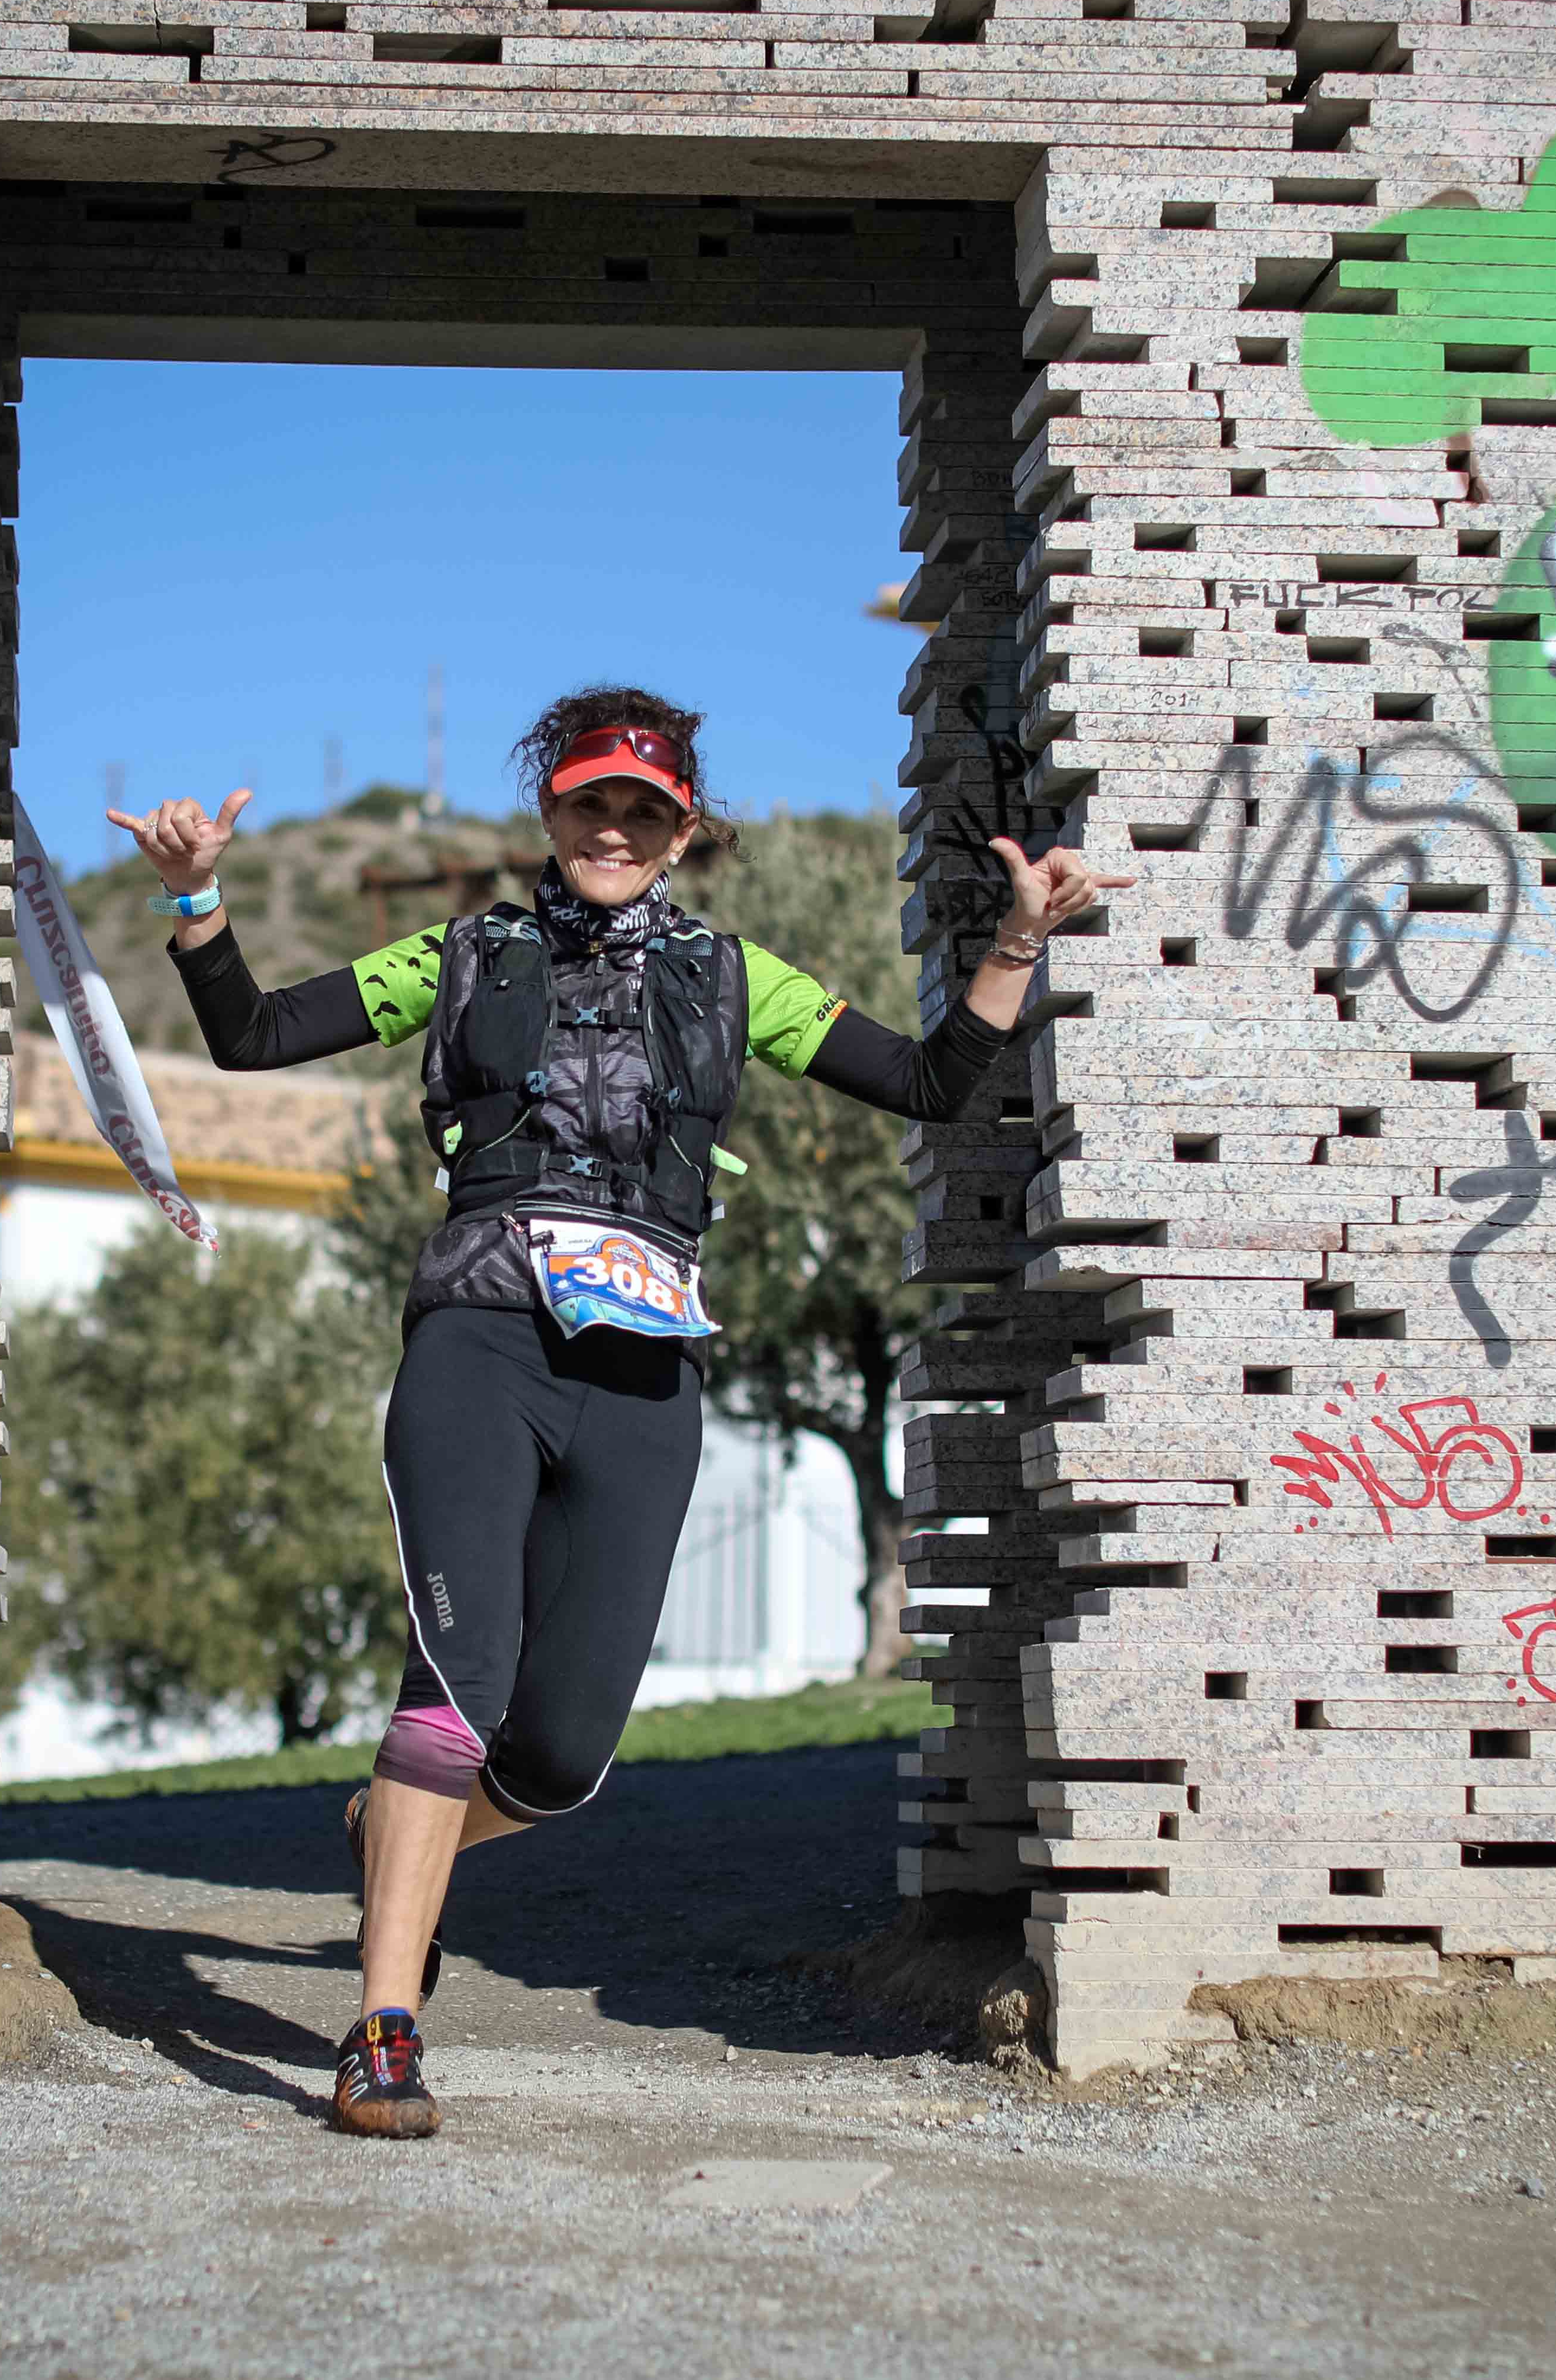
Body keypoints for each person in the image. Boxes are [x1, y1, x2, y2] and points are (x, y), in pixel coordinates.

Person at [107, 683, 1128, 2138]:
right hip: (480, 1338)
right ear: (552, 814)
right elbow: (259, 1036)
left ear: (682, 831)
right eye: (590, 801)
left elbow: (926, 1083)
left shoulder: (735, 979)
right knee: (452, 1687)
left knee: (563, 1757)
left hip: (644, 1370)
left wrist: (1020, 940)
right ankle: (383, 2029)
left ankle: (389, 1825)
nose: (613, 827)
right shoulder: (461, 955)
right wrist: (199, 899)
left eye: (643, 809)